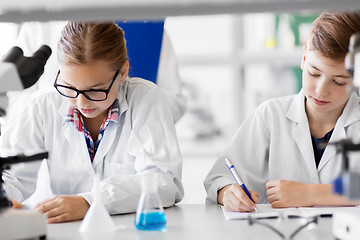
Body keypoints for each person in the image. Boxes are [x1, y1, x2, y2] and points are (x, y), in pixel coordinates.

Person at [0, 22, 184, 223]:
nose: (81, 102)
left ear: (123, 73)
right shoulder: (42, 106)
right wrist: (5, 197)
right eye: (69, 87)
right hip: (62, 231)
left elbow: (163, 182)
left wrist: (89, 201)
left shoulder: (147, 100)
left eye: (95, 90)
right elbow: (12, 177)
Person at [204, 11, 360, 212]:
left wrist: (311, 194)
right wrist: (227, 193)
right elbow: (219, 177)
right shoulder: (270, 115)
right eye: (314, 73)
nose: (321, 90)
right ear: (304, 58)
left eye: (339, 81)